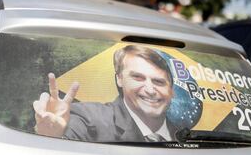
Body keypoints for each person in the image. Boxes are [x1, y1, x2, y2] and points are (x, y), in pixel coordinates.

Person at [33, 45, 176, 142]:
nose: (150, 90)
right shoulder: (89, 118)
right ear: (119, 79)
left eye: (159, 82)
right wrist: (52, 137)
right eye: (138, 78)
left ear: (171, 90)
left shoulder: (189, 136)